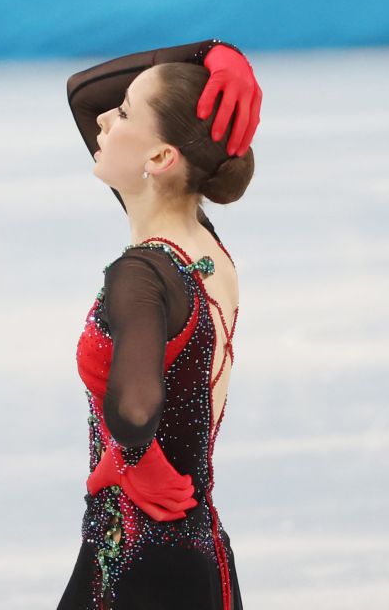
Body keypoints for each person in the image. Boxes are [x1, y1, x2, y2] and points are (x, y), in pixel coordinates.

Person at [56, 38, 262, 610]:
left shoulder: (141, 277)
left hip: (137, 565)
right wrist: (214, 54)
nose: (102, 116)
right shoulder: (199, 243)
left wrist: (131, 460)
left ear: (160, 159)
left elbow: (135, 410)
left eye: (122, 114)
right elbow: (82, 93)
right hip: (192, 551)